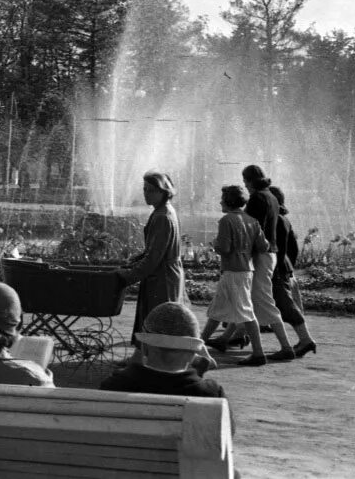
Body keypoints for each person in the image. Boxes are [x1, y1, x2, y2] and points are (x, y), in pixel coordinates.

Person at [217, 165, 295, 362]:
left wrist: (240, 255)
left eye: (245, 180)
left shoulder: (257, 199)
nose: (244, 184)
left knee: (262, 301)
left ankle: (284, 347)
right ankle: (234, 337)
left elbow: (252, 231)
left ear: (250, 180)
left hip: (262, 255)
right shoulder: (271, 196)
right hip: (270, 253)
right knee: (251, 300)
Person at [114, 171, 186, 364]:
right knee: (152, 316)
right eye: (145, 189)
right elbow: (156, 249)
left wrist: (128, 276)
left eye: (151, 190)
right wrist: (136, 259)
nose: (146, 194)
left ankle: (159, 360)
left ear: (163, 191)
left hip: (162, 276)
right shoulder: (164, 211)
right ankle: (141, 356)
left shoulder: (163, 216)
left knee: (158, 318)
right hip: (163, 273)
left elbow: (154, 257)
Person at [100, 302, 231, 400]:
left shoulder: (114, 385)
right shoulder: (211, 394)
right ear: (193, 354)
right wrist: (197, 378)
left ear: (144, 348)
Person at [200, 186, 271, 366]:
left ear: (229, 201)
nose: (220, 201)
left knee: (244, 312)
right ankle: (199, 345)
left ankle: (258, 353)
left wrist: (214, 244)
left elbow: (224, 248)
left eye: (222, 198)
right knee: (218, 309)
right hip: (247, 270)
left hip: (232, 271)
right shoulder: (252, 221)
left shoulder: (226, 220)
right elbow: (264, 247)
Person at [268, 186, 317, 357]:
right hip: (282, 267)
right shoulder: (281, 219)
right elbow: (293, 249)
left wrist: (278, 269)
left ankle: (306, 340)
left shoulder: (279, 220)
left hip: (278, 268)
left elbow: (280, 249)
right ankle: (235, 335)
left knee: (286, 306)